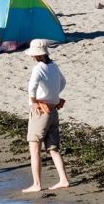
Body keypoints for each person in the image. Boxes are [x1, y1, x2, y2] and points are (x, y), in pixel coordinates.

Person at [22, 39, 69, 193]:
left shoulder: (38, 68)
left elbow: (32, 87)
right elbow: (63, 82)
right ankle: (63, 179)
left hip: (41, 112)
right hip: (53, 110)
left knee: (34, 147)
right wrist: (53, 95)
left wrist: (34, 102)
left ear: (37, 55)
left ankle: (37, 184)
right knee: (53, 148)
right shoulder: (54, 66)